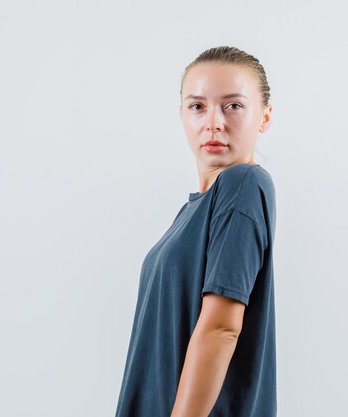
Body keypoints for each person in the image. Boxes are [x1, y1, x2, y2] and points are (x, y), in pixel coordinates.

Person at [114, 45, 277, 417]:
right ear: (183, 114)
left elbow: (222, 327)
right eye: (198, 106)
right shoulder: (192, 212)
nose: (214, 122)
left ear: (264, 117)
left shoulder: (244, 183)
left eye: (233, 105)